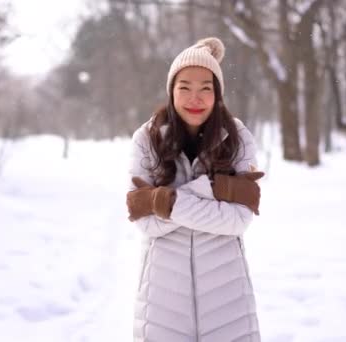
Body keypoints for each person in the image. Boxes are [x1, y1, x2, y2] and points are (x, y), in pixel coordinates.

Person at [126, 37, 263, 342]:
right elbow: (144, 220)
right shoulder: (146, 140)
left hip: (227, 298)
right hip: (161, 298)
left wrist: (164, 200)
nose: (195, 97)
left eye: (206, 88)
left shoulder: (237, 137)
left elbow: (238, 219)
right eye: (184, 87)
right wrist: (215, 191)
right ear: (171, 91)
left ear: (218, 94)